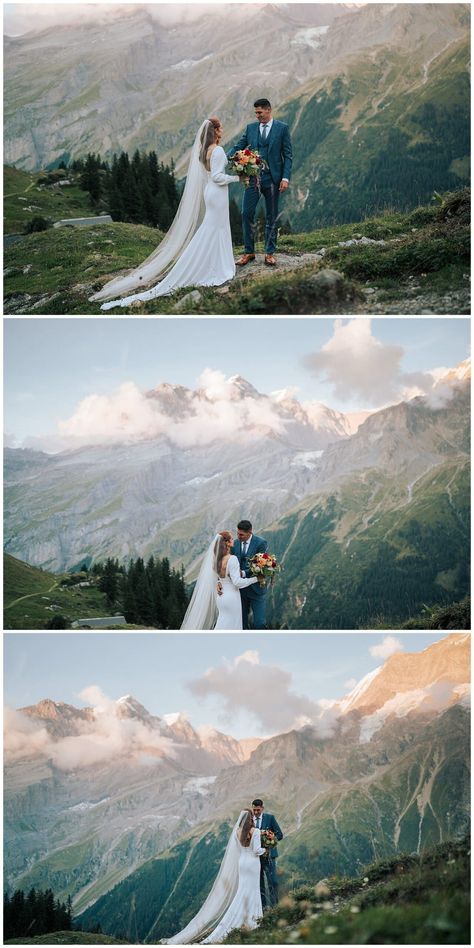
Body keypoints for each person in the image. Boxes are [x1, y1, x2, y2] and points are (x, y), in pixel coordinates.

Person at [90, 117, 240, 310]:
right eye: (220, 129)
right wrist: (238, 177)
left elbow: (210, 175)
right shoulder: (217, 150)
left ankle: (215, 262)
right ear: (215, 131)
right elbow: (218, 177)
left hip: (209, 192)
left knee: (212, 228)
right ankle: (217, 265)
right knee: (216, 228)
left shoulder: (203, 151)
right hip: (217, 193)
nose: (222, 131)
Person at [167, 809, 265, 944]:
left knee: (242, 892)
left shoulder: (237, 832)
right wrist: (266, 848)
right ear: (251, 818)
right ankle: (254, 920)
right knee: (253, 890)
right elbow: (257, 850)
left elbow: (238, 850)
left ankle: (238, 920)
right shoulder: (256, 832)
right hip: (253, 864)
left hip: (242, 864)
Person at [228, 98, 293, 267]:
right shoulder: (251, 128)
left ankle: (269, 253)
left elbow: (288, 155)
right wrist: (222, 156)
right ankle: (249, 252)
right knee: (246, 213)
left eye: (259, 112)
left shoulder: (282, 128)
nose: (257, 116)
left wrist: (285, 178)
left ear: (268, 110)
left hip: (273, 179)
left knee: (272, 215)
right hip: (253, 178)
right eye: (255, 113)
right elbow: (239, 146)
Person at [180, 531, 257, 630]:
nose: (234, 540)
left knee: (222, 624)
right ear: (228, 543)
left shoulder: (217, 560)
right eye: (231, 539)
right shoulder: (232, 559)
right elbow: (237, 582)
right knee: (232, 626)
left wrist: (218, 582)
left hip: (221, 597)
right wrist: (255, 579)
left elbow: (219, 577)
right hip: (232, 597)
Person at [232, 520, 268, 630]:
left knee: (260, 623)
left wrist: (244, 573)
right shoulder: (235, 543)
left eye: (241, 534)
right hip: (239, 589)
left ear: (250, 532)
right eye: (237, 533)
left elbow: (261, 564)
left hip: (256, 588)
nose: (238, 536)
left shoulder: (261, 543)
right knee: (242, 624)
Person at [252, 798, 283, 909]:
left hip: (270, 856)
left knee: (273, 882)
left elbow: (280, 835)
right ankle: (263, 909)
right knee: (259, 885)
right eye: (254, 810)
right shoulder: (250, 821)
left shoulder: (270, 818)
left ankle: (275, 907)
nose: (256, 813)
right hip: (255, 858)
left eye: (258, 810)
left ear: (262, 808)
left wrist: (271, 838)